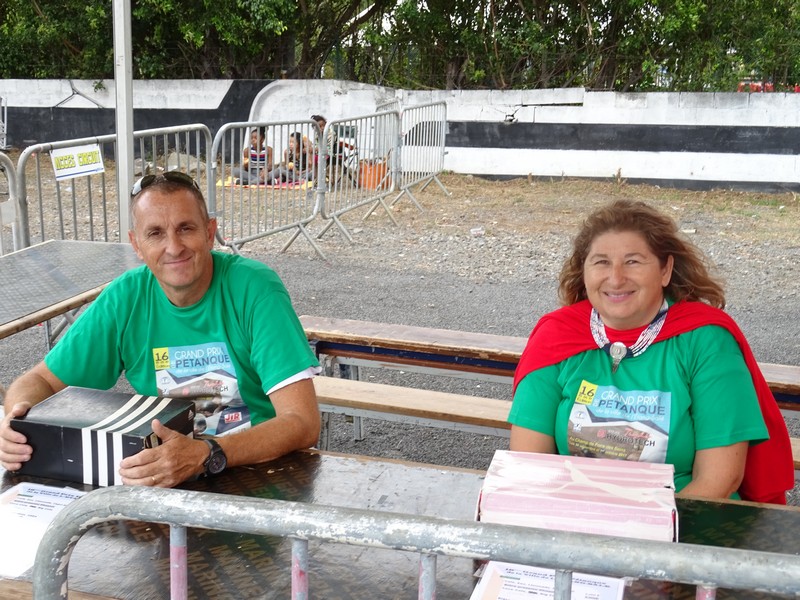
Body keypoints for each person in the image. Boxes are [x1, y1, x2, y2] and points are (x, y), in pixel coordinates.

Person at [0, 172, 321, 487]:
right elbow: (40, 380)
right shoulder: (125, 297)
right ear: (136, 244)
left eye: (186, 228)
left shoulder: (254, 288)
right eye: (155, 233)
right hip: (164, 475)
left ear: (210, 233)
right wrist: (16, 421)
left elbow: (302, 422)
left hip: (256, 471)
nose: (173, 247)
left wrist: (206, 452)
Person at [508, 199, 793, 504]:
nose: (616, 278)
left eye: (633, 261)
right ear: (584, 270)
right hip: (575, 515)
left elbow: (718, 481)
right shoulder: (556, 337)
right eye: (601, 262)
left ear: (665, 270)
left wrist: (640, 533)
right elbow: (530, 466)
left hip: (687, 521)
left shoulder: (706, 341)